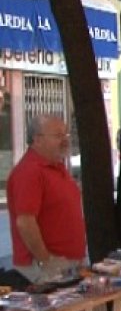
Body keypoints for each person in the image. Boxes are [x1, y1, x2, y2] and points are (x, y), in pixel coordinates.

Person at [7, 114, 86, 282]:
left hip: (68, 263)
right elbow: (25, 222)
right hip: (45, 267)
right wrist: (46, 260)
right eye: (58, 135)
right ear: (37, 140)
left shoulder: (58, 168)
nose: (65, 140)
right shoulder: (30, 171)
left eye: (65, 134)